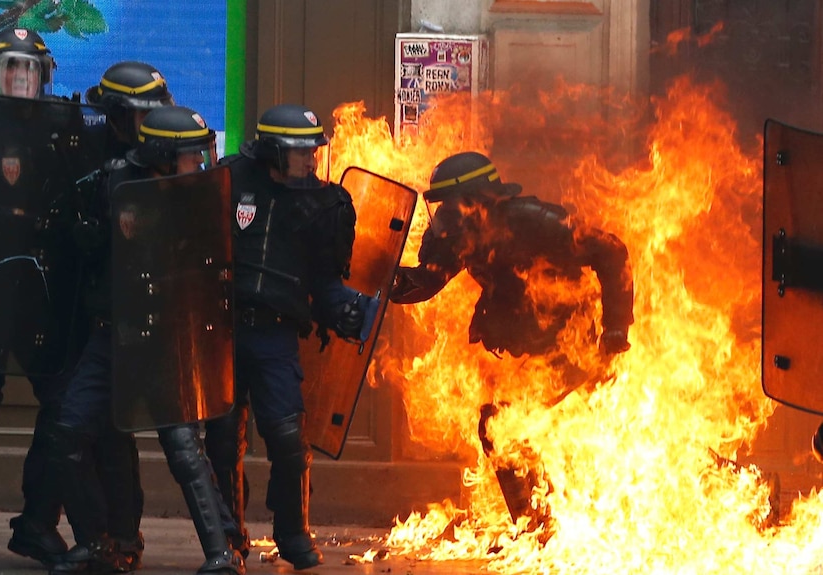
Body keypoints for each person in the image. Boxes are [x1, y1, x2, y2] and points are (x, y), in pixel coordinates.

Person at [389, 151, 634, 532]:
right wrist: (378, 276)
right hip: (531, 352)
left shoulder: (533, 220)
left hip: (574, 343)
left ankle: (538, 526)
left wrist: (616, 326)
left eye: (449, 203)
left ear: (475, 198)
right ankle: (541, 523)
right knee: (505, 426)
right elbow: (426, 282)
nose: (443, 214)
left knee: (499, 423)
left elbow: (613, 250)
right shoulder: (461, 236)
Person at [47, 105, 245, 575]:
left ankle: (222, 551)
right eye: (190, 157)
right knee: (67, 433)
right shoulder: (112, 182)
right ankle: (97, 542)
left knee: (182, 446)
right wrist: (88, 236)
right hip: (111, 335)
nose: (199, 165)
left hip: (165, 334)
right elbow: (86, 253)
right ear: (162, 153)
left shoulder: (197, 193)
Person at [211, 103, 367, 570]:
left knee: (286, 436)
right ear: (274, 150)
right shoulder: (227, 181)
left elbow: (325, 279)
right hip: (222, 329)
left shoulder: (325, 204)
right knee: (221, 438)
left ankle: (293, 532)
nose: (310, 160)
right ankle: (227, 536)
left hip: (276, 335)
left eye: (314, 151)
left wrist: (347, 309)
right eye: (301, 152)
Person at [0, 28, 70, 575]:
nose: (20, 76)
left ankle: (37, 524)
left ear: (43, 75)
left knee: (65, 402)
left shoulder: (63, 129)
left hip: (38, 288)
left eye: (29, 68)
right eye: (10, 68)